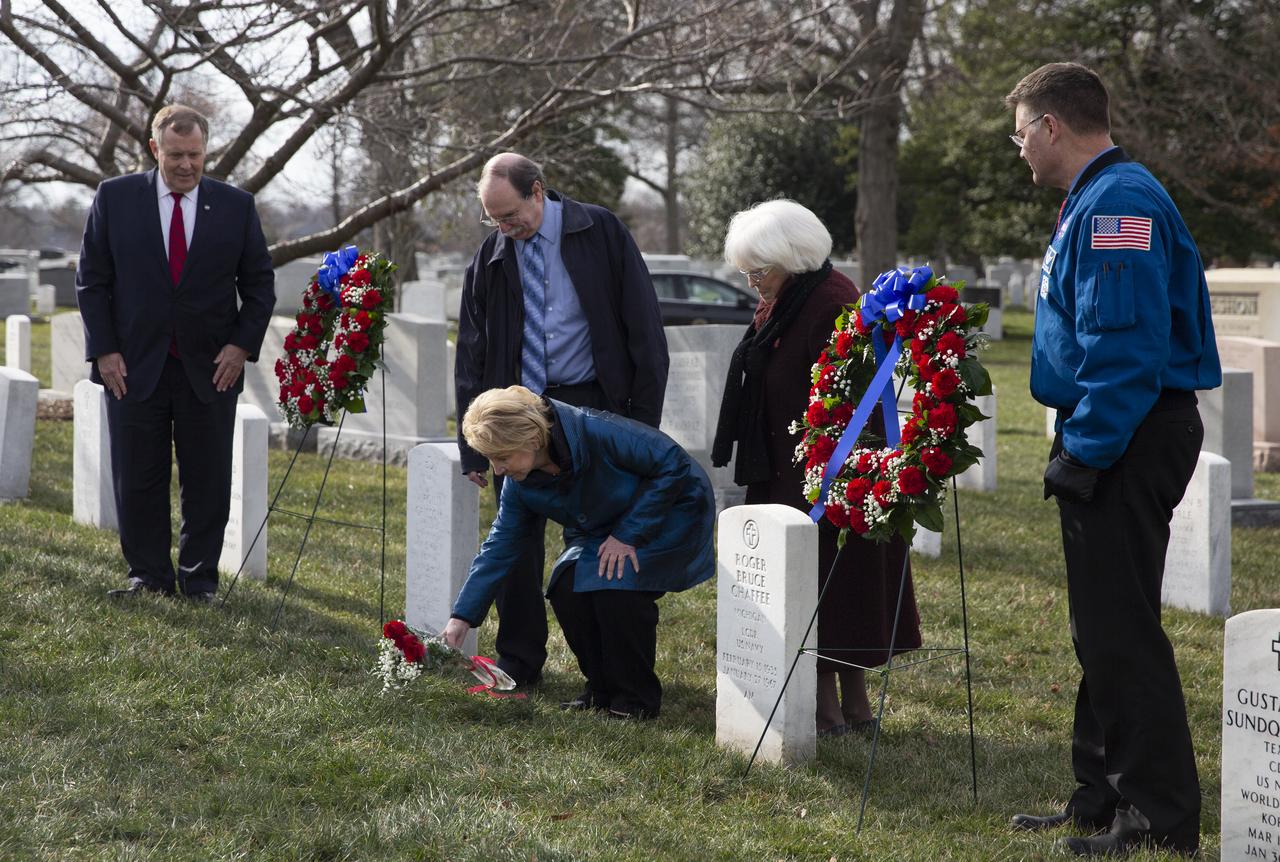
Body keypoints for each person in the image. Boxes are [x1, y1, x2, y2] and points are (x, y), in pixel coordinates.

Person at [1005, 63, 1220, 857]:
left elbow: (1125, 348)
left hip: (1127, 432)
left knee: (1121, 631)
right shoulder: (1098, 197)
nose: (1018, 147)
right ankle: (1099, 795)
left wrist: (1087, 449)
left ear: (1053, 125)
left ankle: (1158, 816)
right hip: (1118, 428)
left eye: (1022, 130)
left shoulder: (1119, 204)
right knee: (1100, 629)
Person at [454, 153, 669, 687]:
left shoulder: (600, 232)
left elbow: (643, 328)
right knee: (515, 542)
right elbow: (472, 352)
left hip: (593, 407)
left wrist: (640, 426)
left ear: (538, 192)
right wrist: (475, 445)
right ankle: (519, 661)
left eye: (510, 215)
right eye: (494, 219)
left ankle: (611, 670)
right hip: (514, 410)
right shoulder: (491, 256)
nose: (505, 228)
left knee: (599, 538)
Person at [709, 199, 922, 737]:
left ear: (793, 257)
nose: (754, 283)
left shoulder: (829, 302)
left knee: (833, 584)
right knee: (809, 582)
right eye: (747, 272)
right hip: (784, 464)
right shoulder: (787, 297)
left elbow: (848, 399)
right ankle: (838, 705)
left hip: (829, 470)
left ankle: (842, 708)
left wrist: (830, 470)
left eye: (760, 270)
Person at [76, 104, 276, 602]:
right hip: (132, 366)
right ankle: (149, 577)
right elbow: (92, 282)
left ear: (207, 151)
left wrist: (239, 345)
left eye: (196, 155)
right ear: (154, 149)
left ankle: (199, 579)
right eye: (176, 155)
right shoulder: (115, 198)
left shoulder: (236, 206)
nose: (186, 165)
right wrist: (104, 352)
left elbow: (259, 287)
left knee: (206, 479)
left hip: (211, 369)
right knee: (137, 477)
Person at [440, 386, 712, 718]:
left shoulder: (597, 431)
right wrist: (462, 618)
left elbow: (673, 463)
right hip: (603, 528)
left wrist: (628, 534)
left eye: (502, 457)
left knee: (617, 589)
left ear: (532, 440)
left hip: (669, 513)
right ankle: (601, 688)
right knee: (567, 588)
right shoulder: (521, 484)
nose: (497, 470)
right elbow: (499, 546)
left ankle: (635, 699)